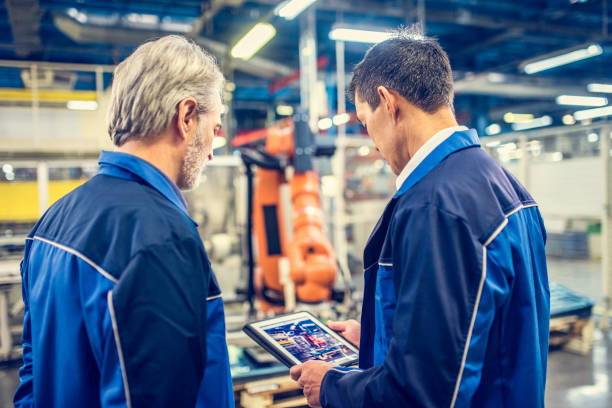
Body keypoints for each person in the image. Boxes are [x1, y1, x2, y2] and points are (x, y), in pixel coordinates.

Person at [290, 28, 549, 408]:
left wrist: (330, 386)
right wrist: (377, 337)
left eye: (366, 123)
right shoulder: (503, 187)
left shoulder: (436, 206)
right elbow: (474, 335)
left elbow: (421, 394)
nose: (372, 142)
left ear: (388, 102)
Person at [14, 35, 234, 408]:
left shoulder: (54, 219)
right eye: (215, 128)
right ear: (185, 117)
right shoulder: (161, 239)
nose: (213, 151)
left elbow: (32, 380)